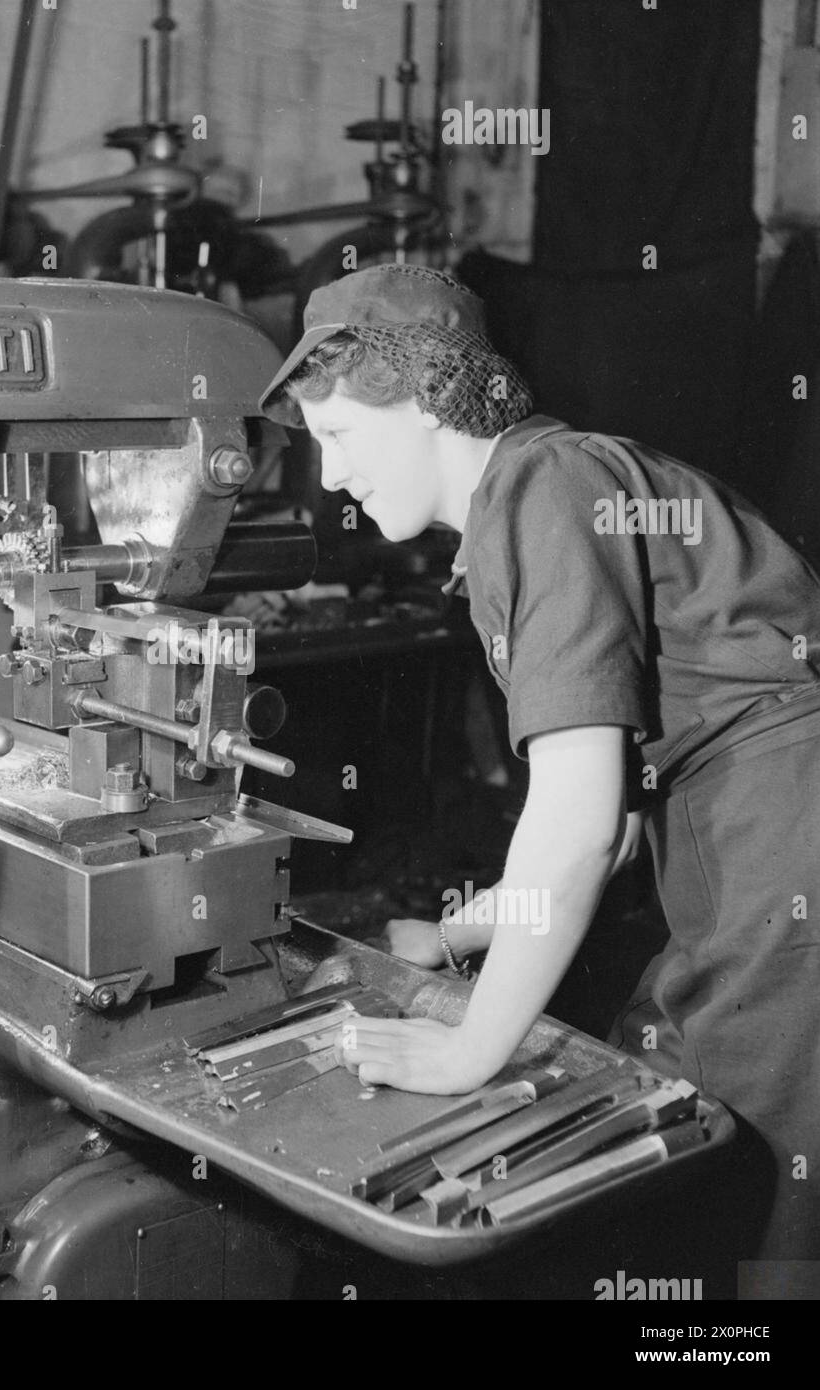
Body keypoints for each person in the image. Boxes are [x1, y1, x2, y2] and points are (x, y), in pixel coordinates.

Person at [260, 263, 820, 1278]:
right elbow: (614, 827)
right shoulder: (532, 504)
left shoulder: (546, 490)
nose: (330, 477)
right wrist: (456, 931)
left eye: (337, 437)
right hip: (742, 822)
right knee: (677, 1087)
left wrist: (474, 1041)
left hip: (791, 831)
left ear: (429, 399)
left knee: (764, 1176)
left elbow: (577, 820)